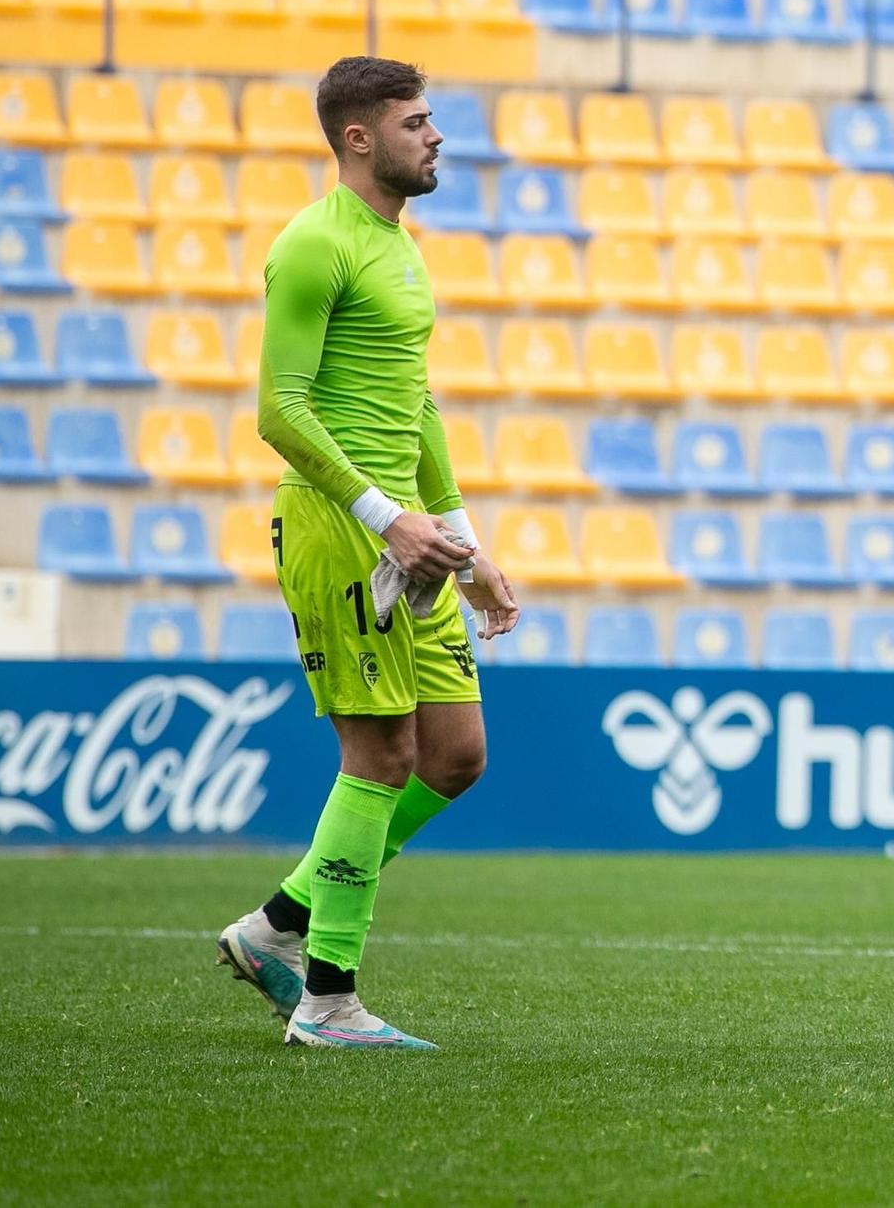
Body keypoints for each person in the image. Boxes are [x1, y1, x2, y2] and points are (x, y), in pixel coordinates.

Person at [213, 56, 520, 1050]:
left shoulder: (400, 246)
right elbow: (279, 408)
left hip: (415, 541)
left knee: (456, 753)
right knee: (380, 754)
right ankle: (328, 1001)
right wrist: (387, 515)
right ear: (359, 136)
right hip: (341, 532)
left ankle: (279, 925)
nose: (435, 136)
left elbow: (416, 406)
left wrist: (461, 538)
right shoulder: (313, 244)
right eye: (417, 122)